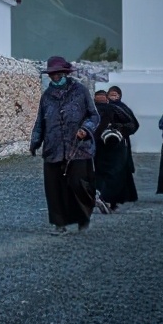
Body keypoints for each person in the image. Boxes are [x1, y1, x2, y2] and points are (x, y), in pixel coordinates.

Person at [29, 56, 100, 235]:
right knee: (54, 188)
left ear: (65, 73)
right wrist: (35, 142)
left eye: (58, 73)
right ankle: (59, 224)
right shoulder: (46, 97)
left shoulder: (80, 91)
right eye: (52, 74)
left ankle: (83, 218)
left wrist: (86, 129)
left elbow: (94, 116)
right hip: (53, 149)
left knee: (79, 184)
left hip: (78, 148)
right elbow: (40, 122)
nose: (55, 77)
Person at [93, 89, 138, 211]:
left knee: (112, 174)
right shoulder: (92, 110)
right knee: (106, 174)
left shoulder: (118, 109)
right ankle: (104, 198)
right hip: (100, 148)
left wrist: (119, 129)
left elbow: (133, 125)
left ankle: (108, 200)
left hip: (115, 147)